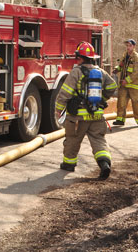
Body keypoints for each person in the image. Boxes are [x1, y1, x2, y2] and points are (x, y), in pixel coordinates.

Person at [55, 42, 117, 179]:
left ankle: (69, 164)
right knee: (99, 140)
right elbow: (113, 86)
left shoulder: (76, 72)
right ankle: (104, 164)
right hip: (96, 115)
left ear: (80, 58)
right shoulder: (100, 72)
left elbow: (65, 93)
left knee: (72, 140)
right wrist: (102, 98)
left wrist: (59, 110)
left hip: (77, 117)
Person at [113, 38, 138, 127]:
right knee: (121, 102)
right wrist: (117, 69)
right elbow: (121, 66)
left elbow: (137, 73)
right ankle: (120, 120)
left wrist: (127, 80)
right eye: (127, 46)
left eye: (130, 46)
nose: (128, 47)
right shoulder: (125, 56)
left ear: (134, 46)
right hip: (124, 85)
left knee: (137, 104)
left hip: (135, 86)